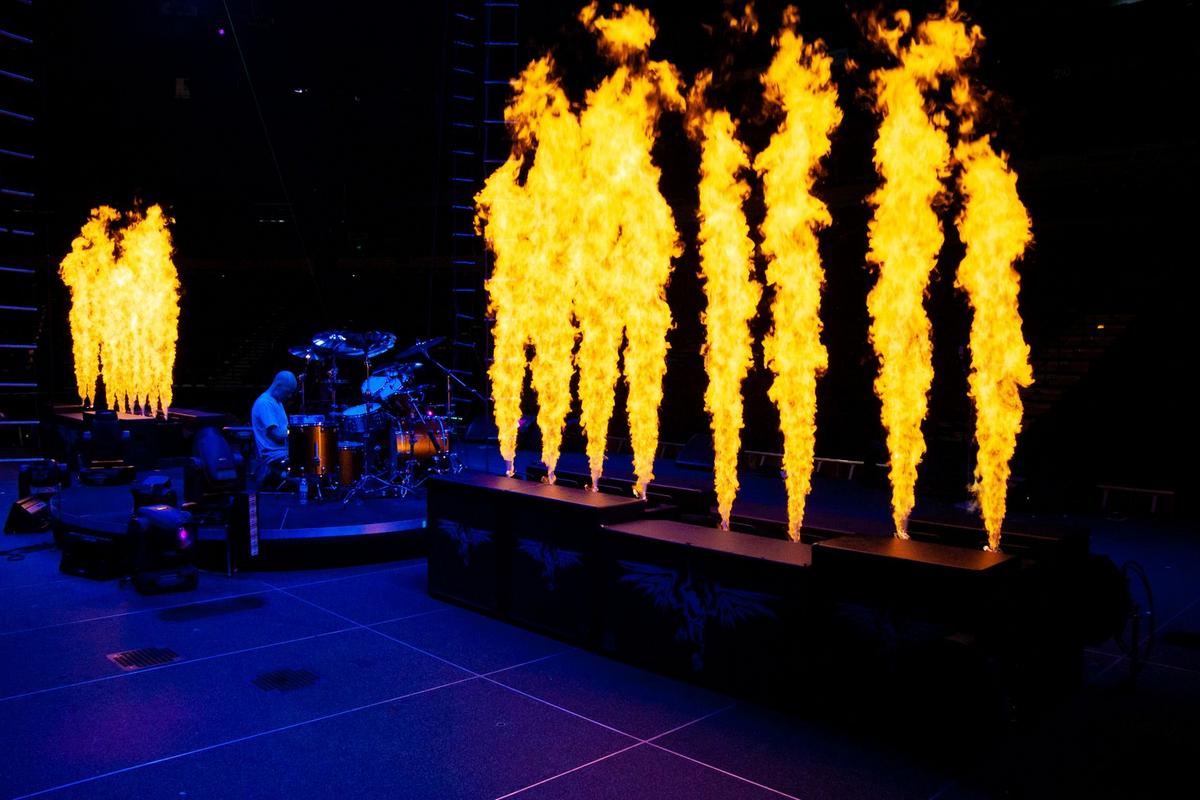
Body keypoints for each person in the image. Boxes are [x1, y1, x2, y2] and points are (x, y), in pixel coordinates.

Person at [251, 371, 297, 485]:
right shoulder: (265, 403)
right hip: (274, 455)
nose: (289, 396)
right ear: (278, 385)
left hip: (283, 452)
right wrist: (296, 432)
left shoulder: (277, 402)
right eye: (287, 392)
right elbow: (276, 434)